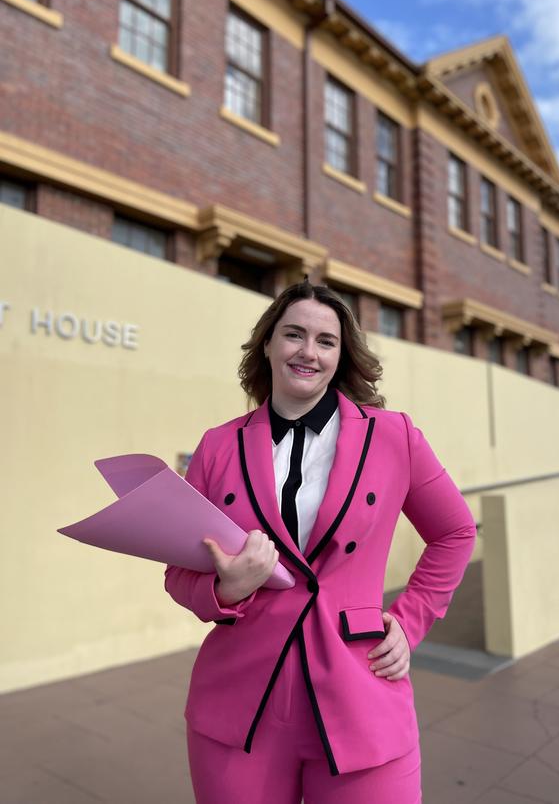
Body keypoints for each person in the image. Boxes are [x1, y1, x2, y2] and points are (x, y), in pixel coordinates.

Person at [165, 280, 476, 804]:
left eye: (325, 341)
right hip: (240, 702)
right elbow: (178, 573)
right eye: (293, 334)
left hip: (361, 690)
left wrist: (412, 618)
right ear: (267, 344)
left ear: (341, 354)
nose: (308, 351)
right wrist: (226, 588)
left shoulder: (394, 435)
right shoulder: (218, 446)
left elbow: (455, 531)